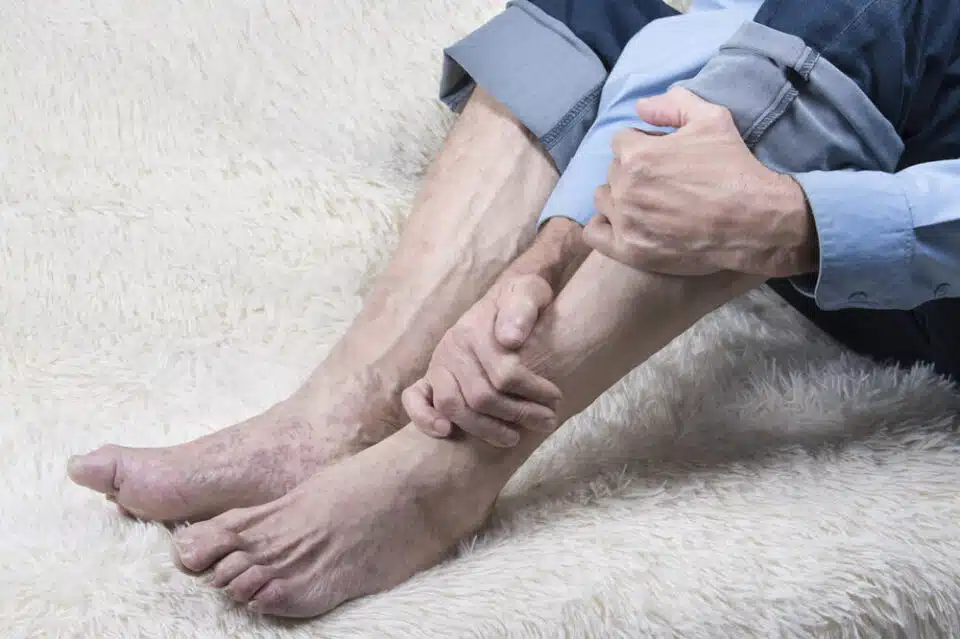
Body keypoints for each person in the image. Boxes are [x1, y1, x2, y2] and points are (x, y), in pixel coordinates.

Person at [65, 0, 960, 620]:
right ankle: (331, 417)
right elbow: (741, 31)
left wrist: (795, 221)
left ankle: (440, 472)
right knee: (614, 11)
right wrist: (554, 244)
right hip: (868, 201)